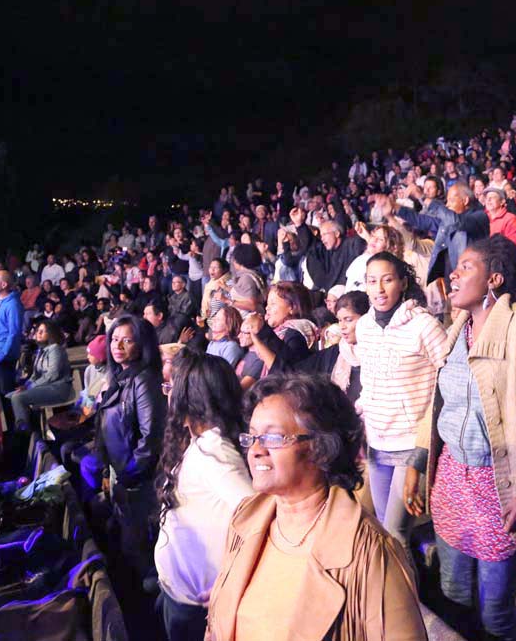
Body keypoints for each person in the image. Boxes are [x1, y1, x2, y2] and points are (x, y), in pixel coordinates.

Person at [403, 235, 516, 640]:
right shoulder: (457, 329)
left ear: (494, 278)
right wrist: (417, 461)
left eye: (466, 267)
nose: (453, 275)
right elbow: (440, 401)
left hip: (498, 485)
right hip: (451, 480)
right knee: (455, 596)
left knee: (495, 613)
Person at [204, 374, 426, 641]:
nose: (255, 450)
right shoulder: (245, 520)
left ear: (321, 447)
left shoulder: (371, 553)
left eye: (273, 437)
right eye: (252, 436)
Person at [153, 350, 254, 641]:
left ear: (191, 397)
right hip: (179, 594)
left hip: (195, 605)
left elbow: (257, 518)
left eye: (171, 388)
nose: (167, 395)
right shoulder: (201, 442)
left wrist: (231, 583)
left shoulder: (214, 452)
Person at [355, 252, 448, 548]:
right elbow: (368, 381)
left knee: (396, 532)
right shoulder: (364, 326)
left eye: (387, 280)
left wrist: (428, 440)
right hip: (377, 440)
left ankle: (410, 580)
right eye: (372, 281)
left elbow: (448, 377)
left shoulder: (424, 326)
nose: (379, 289)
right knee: (384, 530)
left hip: (410, 442)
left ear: (403, 283)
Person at [92, 314, 167, 582]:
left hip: (139, 479)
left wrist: (131, 473)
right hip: (122, 473)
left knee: (138, 545)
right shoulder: (120, 378)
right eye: (114, 339)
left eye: (127, 340)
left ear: (142, 345)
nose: (118, 346)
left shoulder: (143, 380)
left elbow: (151, 435)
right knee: (128, 541)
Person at [294, 290, 368, 405]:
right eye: (340, 320)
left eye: (348, 320)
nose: (342, 326)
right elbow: (294, 372)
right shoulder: (335, 353)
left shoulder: (380, 353)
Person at [5, 321, 72, 432]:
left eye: (42, 331)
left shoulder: (55, 349)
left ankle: (23, 431)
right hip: (44, 387)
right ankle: (24, 429)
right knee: (8, 397)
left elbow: (53, 374)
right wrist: (26, 386)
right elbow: (35, 375)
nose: (38, 333)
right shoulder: (41, 350)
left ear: (51, 334)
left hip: (58, 388)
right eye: (38, 331)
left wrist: (31, 386)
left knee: (18, 398)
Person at [242, 282, 315, 379]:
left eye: (273, 304)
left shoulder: (297, 333)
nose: (267, 308)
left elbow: (288, 372)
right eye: (267, 304)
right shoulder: (279, 332)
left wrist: (262, 331)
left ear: (293, 307)